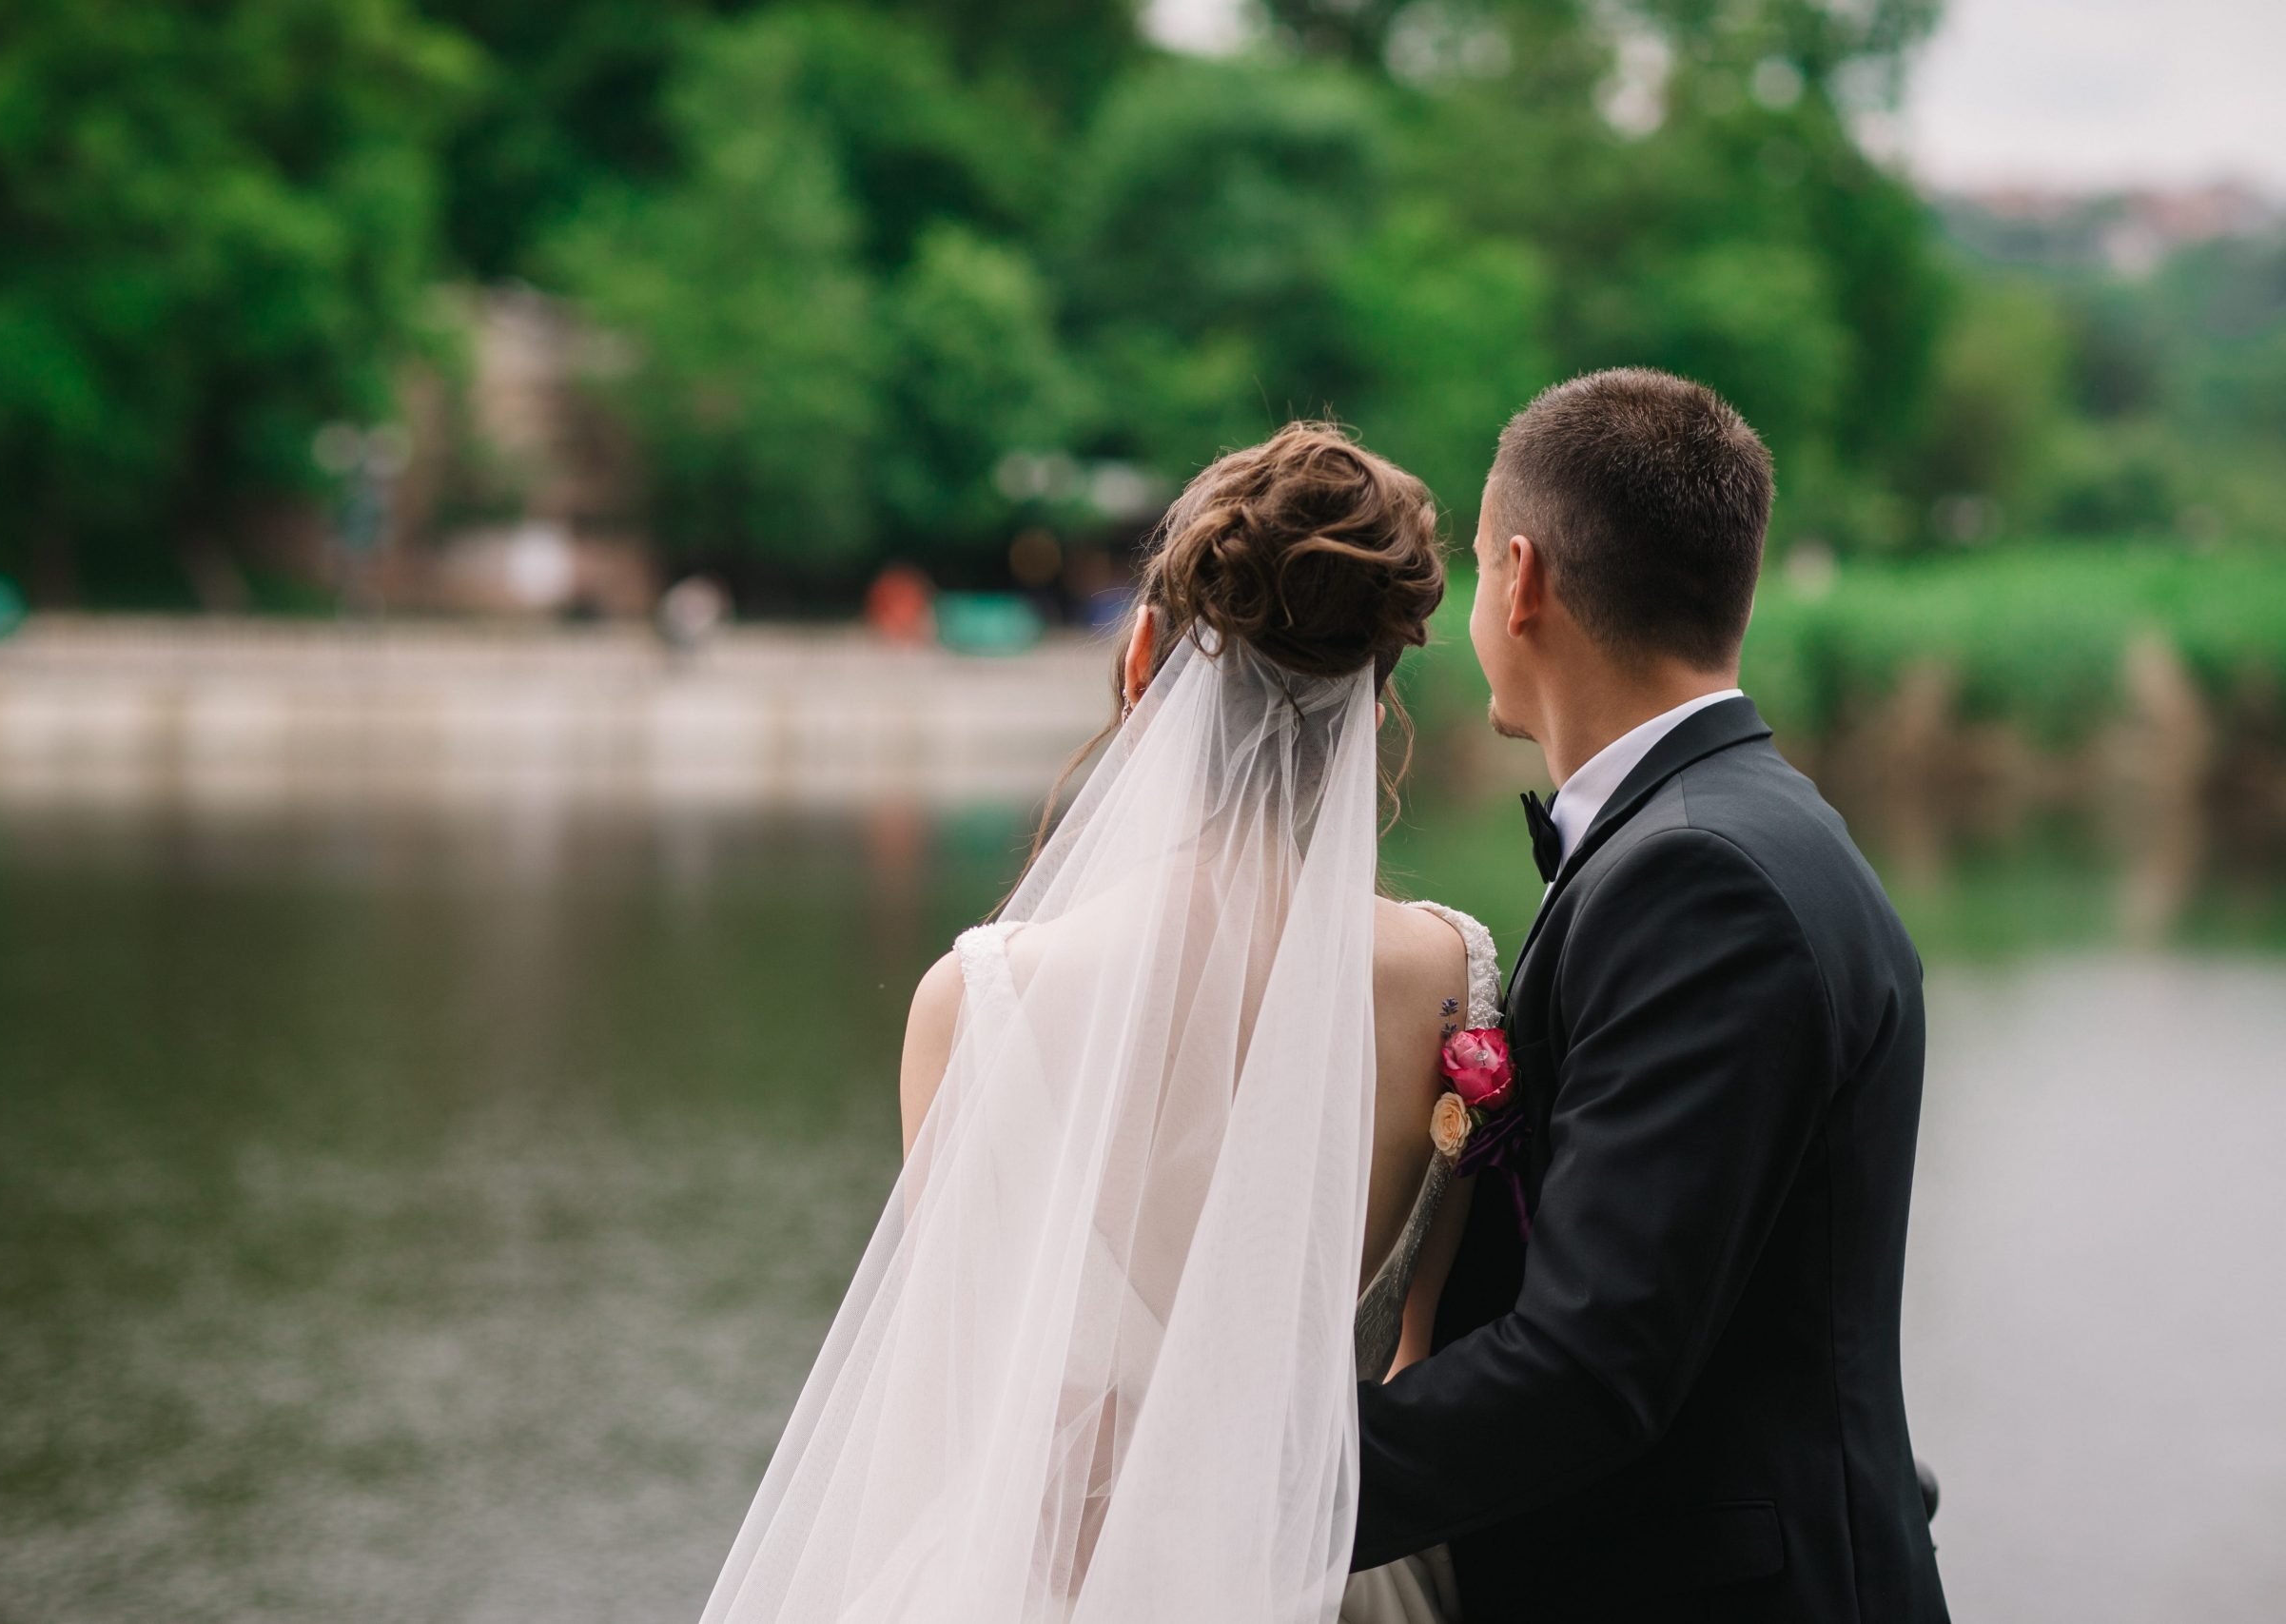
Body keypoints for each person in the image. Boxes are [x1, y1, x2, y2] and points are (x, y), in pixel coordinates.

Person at [698, 423, 1505, 1624]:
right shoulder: (1453, 976)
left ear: (1145, 664)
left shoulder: (978, 1003)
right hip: (1340, 1578)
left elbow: (961, 1397)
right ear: (1373, 700)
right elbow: (1418, 1362)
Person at [1351, 369, 1951, 1622]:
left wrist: (1250, 1482)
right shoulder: (1744, 828)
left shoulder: (1700, 878)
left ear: (1522, 579)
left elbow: (1594, 1359)